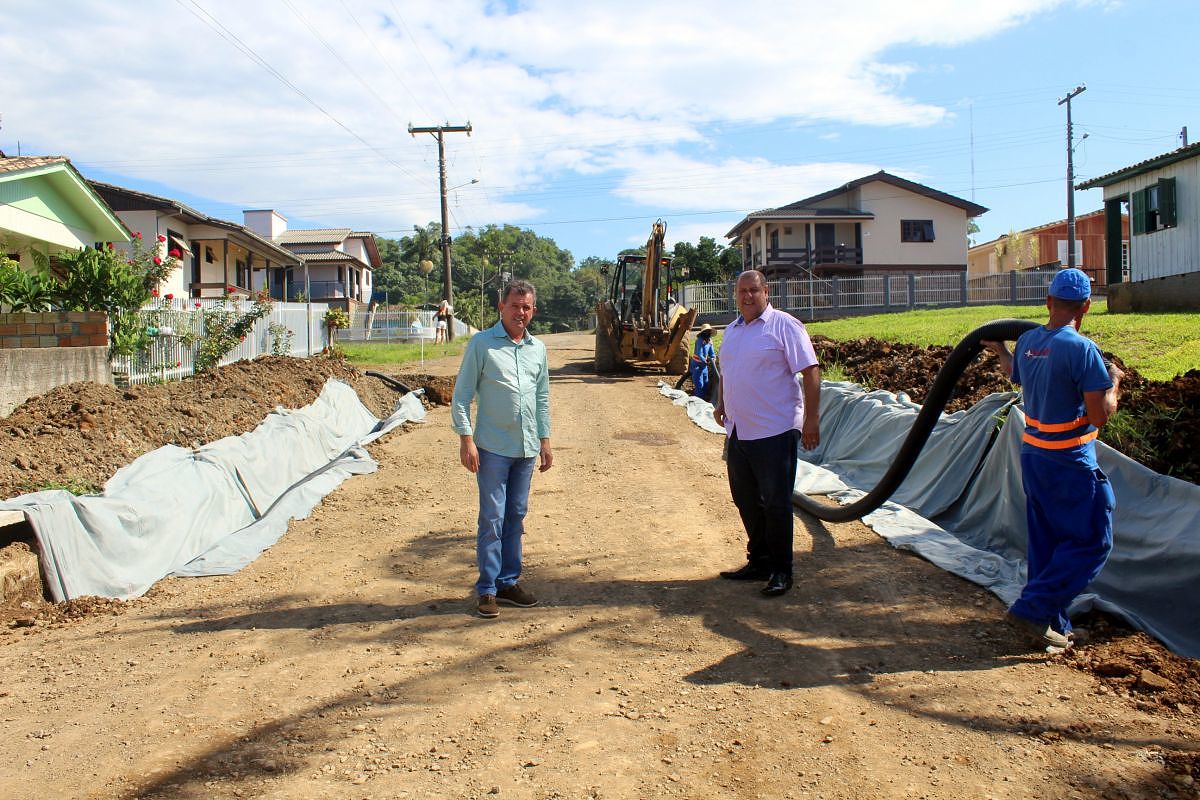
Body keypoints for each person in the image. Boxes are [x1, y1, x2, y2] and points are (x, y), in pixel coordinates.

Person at [983, 267, 1123, 649]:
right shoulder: (1081, 349)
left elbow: (1016, 372)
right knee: (1093, 541)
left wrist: (1000, 350)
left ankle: (1053, 625)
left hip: (1034, 457)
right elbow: (1099, 415)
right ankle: (1033, 610)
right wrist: (1115, 384)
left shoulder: (1028, 341)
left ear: (1048, 302)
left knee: (1047, 542)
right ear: (1086, 307)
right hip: (1070, 461)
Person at [713, 270, 821, 597]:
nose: (747, 296)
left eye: (753, 290)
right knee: (746, 500)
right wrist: (721, 402)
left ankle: (781, 570)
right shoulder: (732, 330)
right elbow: (728, 371)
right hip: (739, 432)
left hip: (775, 431)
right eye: (742, 291)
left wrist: (811, 421)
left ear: (766, 291)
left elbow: (811, 372)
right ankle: (759, 560)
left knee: (776, 503)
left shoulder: (785, 326)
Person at [451, 279, 553, 619]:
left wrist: (545, 440)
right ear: (501, 307)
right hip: (492, 448)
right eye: (515, 306)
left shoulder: (537, 349)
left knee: (516, 517)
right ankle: (488, 590)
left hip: (525, 449)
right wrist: (466, 439)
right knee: (492, 519)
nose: (520, 312)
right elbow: (462, 395)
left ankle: (509, 582)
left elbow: (541, 398)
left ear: (533, 311)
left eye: (526, 307)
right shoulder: (482, 344)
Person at [689, 324, 716, 401]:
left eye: (709, 332)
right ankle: (699, 401)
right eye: (706, 332)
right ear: (703, 332)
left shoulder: (710, 341)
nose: (708, 333)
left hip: (704, 367)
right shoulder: (699, 341)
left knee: (705, 383)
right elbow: (699, 353)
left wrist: (713, 358)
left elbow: (712, 353)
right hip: (697, 366)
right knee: (699, 385)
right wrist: (705, 361)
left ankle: (703, 400)